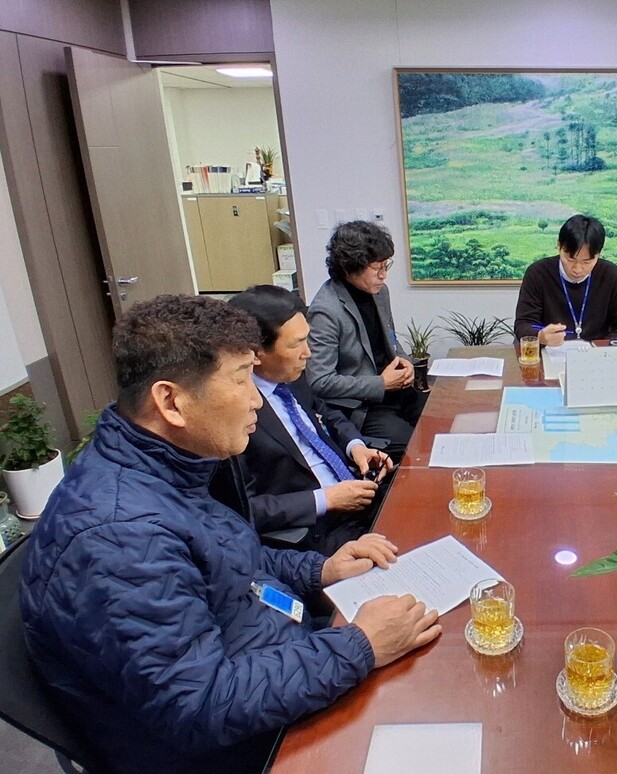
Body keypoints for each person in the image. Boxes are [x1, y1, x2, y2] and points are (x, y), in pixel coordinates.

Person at [20, 295, 441, 774]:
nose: (257, 399)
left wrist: (321, 569)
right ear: (171, 401)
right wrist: (359, 646)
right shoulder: (117, 537)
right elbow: (198, 704)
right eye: (241, 379)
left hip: (278, 655)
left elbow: (232, 558)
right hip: (236, 744)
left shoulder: (169, 468)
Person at [226, 285, 394, 553]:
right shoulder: (234, 413)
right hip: (318, 530)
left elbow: (327, 413)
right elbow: (243, 508)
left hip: (356, 495)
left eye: (307, 339)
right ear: (255, 354)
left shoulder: (290, 375)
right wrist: (325, 499)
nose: (308, 353)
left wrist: (356, 447)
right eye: (296, 344)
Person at [307, 220, 426, 461]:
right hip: (363, 407)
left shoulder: (380, 292)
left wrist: (404, 360)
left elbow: (390, 339)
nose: (384, 275)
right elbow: (319, 381)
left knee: (442, 422)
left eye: (386, 266)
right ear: (349, 268)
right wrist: (380, 383)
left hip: (398, 392)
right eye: (376, 268)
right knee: (415, 450)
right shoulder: (326, 311)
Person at [514, 214, 617, 345]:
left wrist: (602, 348)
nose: (577, 269)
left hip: (597, 353)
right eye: (570, 259)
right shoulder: (538, 273)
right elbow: (524, 324)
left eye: (587, 262)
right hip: (549, 351)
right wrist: (540, 336)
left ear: (598, 254)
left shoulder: (612, 276)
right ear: (559, 246)